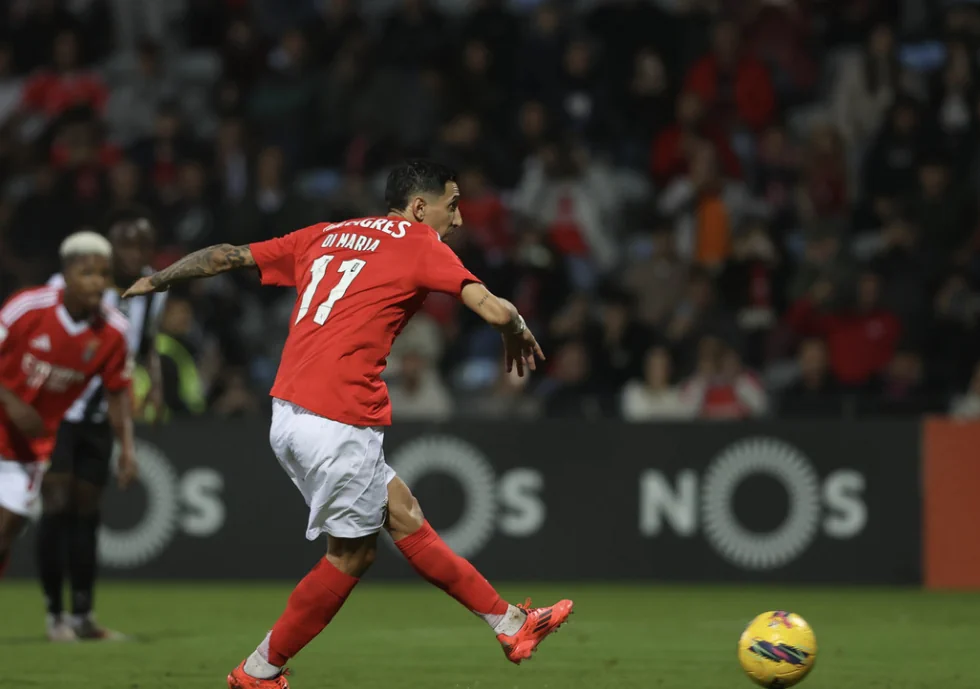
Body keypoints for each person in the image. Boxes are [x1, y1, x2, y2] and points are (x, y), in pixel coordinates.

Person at [124, 160, 572, 689]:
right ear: (419, 207)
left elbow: (227, 256)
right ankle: (258, 671)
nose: (459, 219)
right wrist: (516, 326)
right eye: (452, 205)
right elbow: (494, 311)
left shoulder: (327, 234)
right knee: (351, 554)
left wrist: (157, 278)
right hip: (338, 420)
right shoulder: (417, 241)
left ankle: (511, 625)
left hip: (289, 412)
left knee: (403, 513)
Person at [38, 210, 165, 642]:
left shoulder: (154, 290)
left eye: (141, 246)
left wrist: (155, 385)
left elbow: (144, 346)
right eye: (125, 245)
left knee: (87, 512)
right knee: (56, 505)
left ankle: (84, 614)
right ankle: (56, 613)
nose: (133, 254)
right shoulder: (75, 285)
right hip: (56, 412)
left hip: (99, 415)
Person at [0, 233, 136, 593]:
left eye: (103, 275)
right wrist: (12, 401)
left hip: (26, 449)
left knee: (4, 533)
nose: (97, 283)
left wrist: (127, 448)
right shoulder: (27, 307)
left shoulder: (113, 332)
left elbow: (118, 391)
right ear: (67, 274)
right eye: (87, 273)